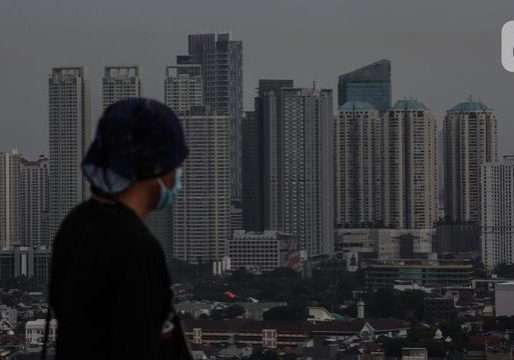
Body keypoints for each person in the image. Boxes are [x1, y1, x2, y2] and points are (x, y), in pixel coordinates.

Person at [47, 98, 192, 360]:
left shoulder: (75, 224)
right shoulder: (134, 245)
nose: (178, 172)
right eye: (176, 162)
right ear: (156, 167)